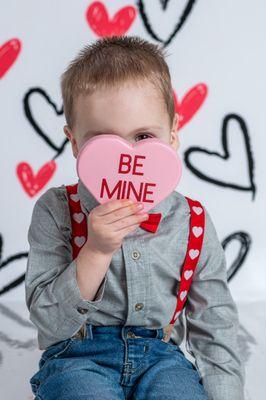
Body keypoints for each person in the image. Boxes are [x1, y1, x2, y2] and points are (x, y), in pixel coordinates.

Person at [25, 35, 245, 400]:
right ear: (75, 143)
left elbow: (215, 324)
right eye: (102, 141)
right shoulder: (54, 210)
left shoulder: (192, 220)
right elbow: (49, 325)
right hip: (76, 357)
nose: (128, 158)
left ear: (173, 133)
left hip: (162, 359)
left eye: (144, 135)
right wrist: (95, 251)